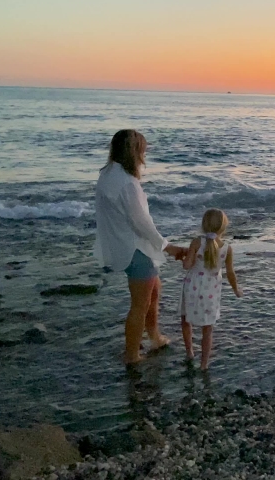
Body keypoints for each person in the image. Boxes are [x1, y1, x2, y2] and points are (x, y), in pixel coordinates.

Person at [94, 129, 187, 365]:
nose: (144, 154)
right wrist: (168, 247)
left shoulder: (108, 174)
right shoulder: (127, 183)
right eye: (142, 149)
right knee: (140, 304)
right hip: (136, 249)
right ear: (134, 152)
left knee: (154, 291)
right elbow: (141, 223)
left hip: (126, 244)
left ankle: (154, 336)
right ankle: (132, 355)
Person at [180, 208, 242, 370]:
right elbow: (230, 273)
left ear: (203, 225)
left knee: (186, 320)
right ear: (223, 227)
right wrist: (236, 290)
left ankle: (190, 352)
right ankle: (204, 364)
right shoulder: (227, 248)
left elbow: (187, 265)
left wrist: (184, 258)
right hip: (211, 291)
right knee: (208, 330)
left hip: (193, 287)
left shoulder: (196, 242)